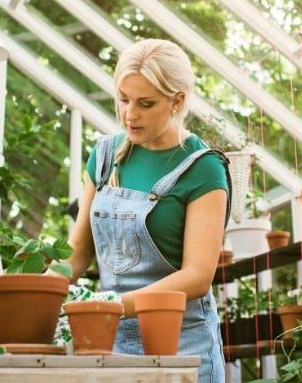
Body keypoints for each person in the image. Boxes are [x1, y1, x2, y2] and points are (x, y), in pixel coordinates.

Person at [65, 39, 229, 383]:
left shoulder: (202, 168)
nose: (129, 114)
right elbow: (79, 251)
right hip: (110, 343)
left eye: (145, 103)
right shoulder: (105, 157)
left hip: (183, 347)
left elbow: (198, 275)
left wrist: (109, 306)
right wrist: (41, 288)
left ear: (177, 101)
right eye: (123, 99)